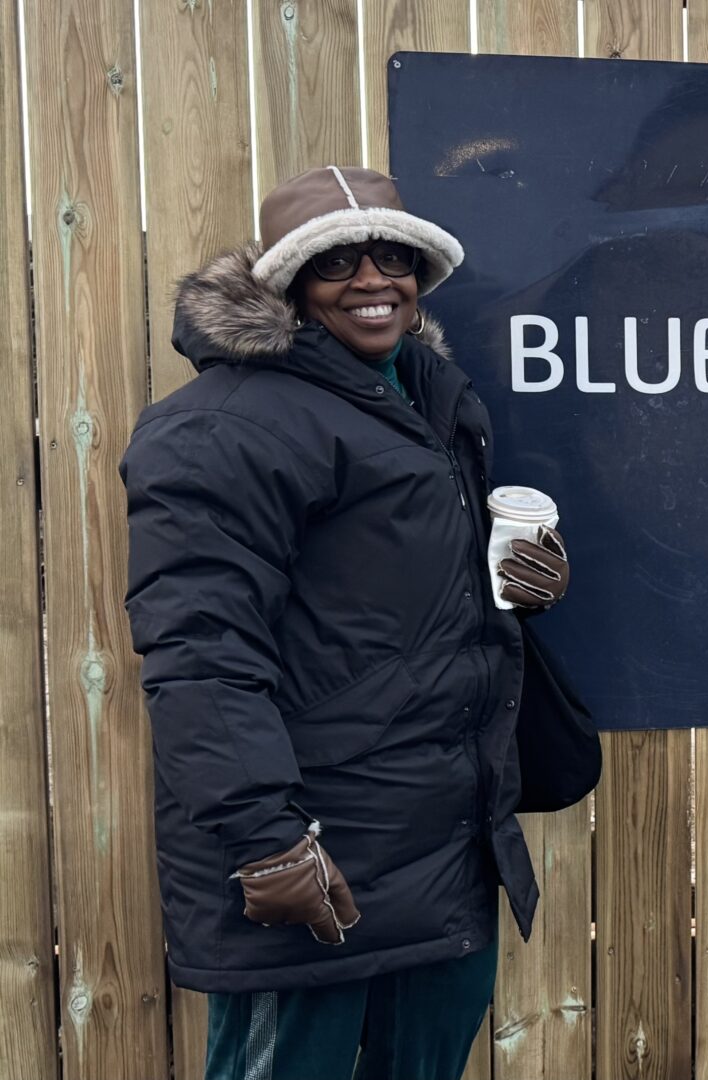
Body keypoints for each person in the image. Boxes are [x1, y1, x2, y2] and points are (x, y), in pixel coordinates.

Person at [122, 165, 573, 1080]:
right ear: (285, 282)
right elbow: (200, 655)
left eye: (393, 255)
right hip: (314, 862)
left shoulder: (429, 401)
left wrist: (520, 583)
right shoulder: (222, 429)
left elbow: (397, 599)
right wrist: (267, 841)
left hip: (446, 848)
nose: (373, 279)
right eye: (336, 261)